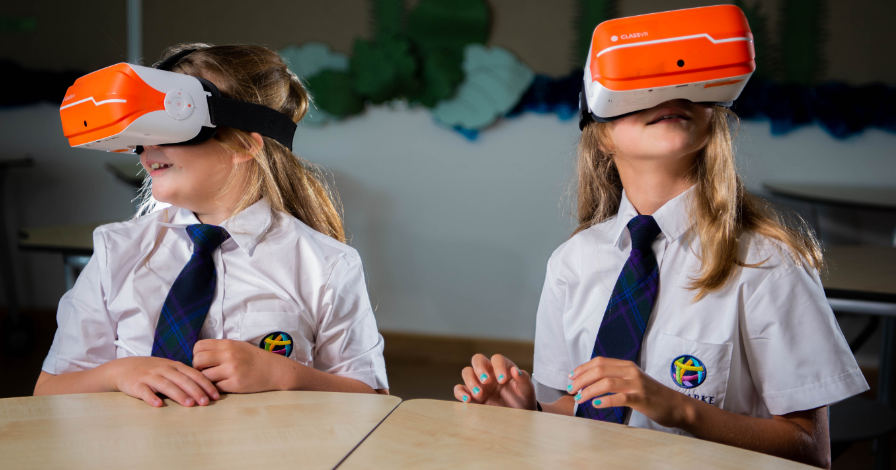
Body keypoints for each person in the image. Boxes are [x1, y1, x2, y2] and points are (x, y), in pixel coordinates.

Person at [453, 85, 867, 469]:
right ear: (602, 135)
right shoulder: (571, 262)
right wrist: (526, 414)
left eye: (690, 85)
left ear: (712, 118)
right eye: (635, 90)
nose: (667, 93)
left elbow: (811, 449)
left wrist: (681, 409)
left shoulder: (769, 264)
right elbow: (576, 411)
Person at [35, 44, 388, 407]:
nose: (147, 147)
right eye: (143, 128)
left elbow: (372, 400)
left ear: (243, 145)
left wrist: (284, 376)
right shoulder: (116, 252)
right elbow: (47, 391)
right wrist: (117, 373)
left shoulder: (327, 265)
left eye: (169, 121)